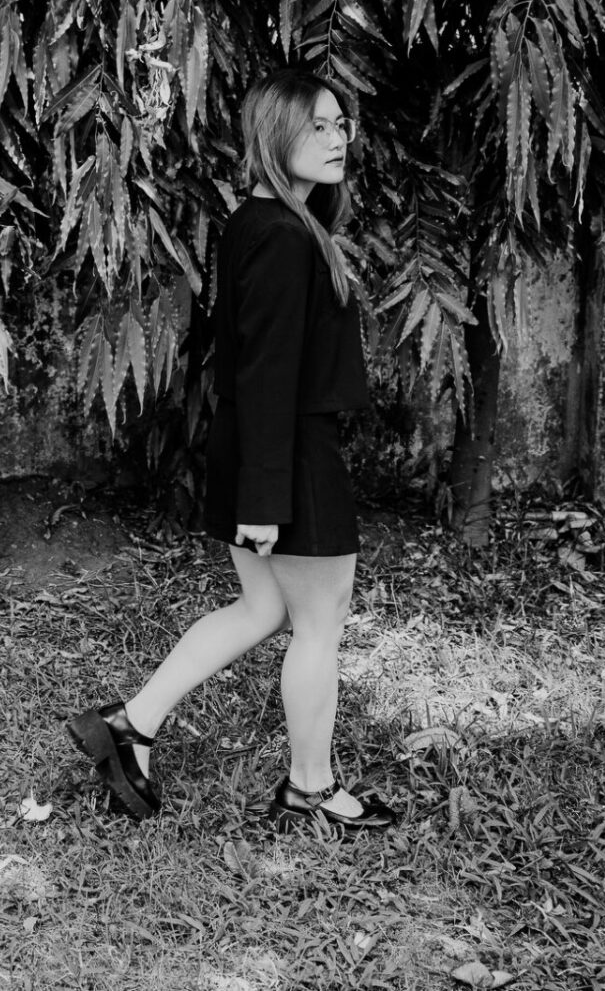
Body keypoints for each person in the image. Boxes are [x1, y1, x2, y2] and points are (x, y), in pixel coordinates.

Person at [68, 67, 398, 833]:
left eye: (341, 124)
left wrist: (257, 485)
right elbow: (268, 372)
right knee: (318, 625)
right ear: (276, 137)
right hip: (290, 455)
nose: (337, 138)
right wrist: (266, 497)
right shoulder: (284, 236)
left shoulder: (260, 221)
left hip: (257, 448)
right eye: (316, 126)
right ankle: (311, 790)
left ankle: (130, 724)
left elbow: (252, 365)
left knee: (262, 608)